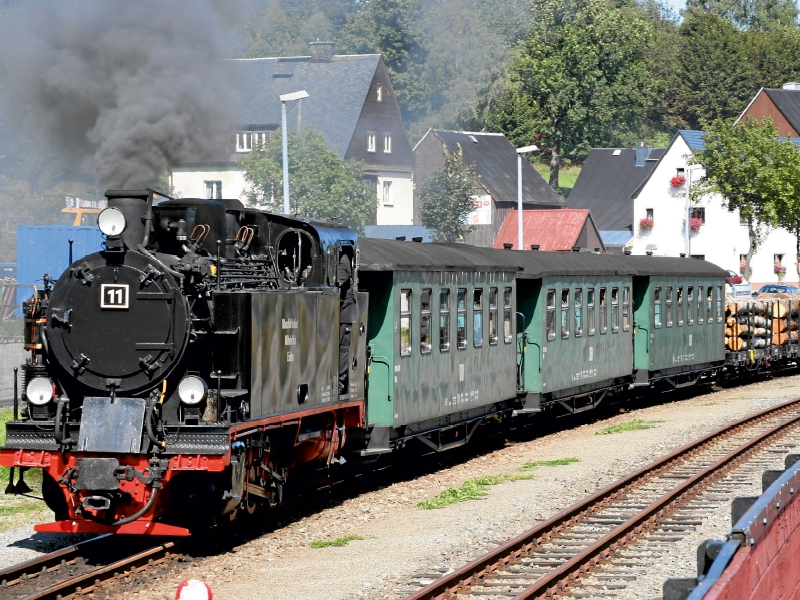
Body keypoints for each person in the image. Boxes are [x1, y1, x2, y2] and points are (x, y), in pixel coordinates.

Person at [338, 252, 357, 395]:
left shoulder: (343, 260)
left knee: (342, 349)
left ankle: (339, 383)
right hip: (341, 312)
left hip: (344, 314)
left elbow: (340, 280)